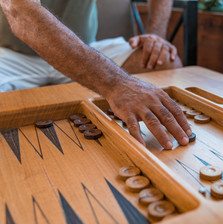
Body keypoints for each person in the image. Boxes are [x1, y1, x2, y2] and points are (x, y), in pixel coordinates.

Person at [0, 0, 192, 149]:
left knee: (163, 60)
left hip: (82, 50)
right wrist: (117, 84)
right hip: (10, 56)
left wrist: (155, 35)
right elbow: (20, 13)